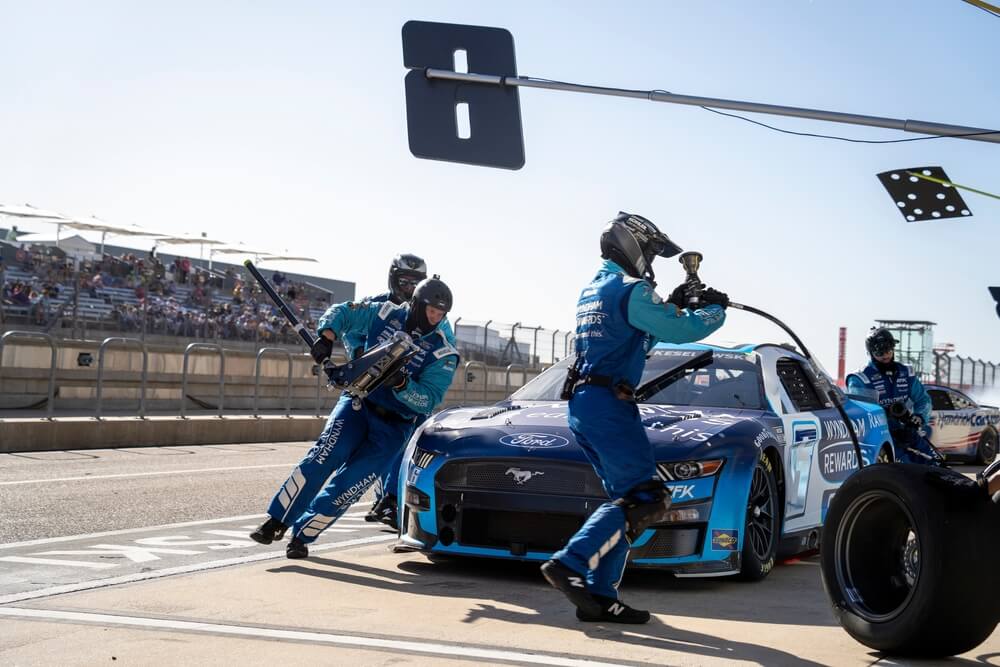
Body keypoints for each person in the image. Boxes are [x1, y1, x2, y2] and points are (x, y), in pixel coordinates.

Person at [541, 211, 728, 624]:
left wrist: (673, 305)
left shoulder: (595, 289)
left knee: (627, 501)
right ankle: (571, 563)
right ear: (635, 246)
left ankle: (601, 597)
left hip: (585, 402)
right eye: (652, 253)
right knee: (648, 498)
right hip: (609, 405)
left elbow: (637, 335)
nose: (653, 263)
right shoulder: (633, 289)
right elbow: (681, 332)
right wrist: (715, 311)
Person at [249, 276, 459, 559]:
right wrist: (327, 335)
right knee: (320, 459)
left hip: (394, 429)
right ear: (417, 305)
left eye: (440, 314)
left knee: (348, 486)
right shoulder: (384, 312)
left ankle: (303, 535)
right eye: (431, 311)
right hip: (358, 404)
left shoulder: (444, 351)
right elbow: (343, 312)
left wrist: (401, 385)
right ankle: (276, 521)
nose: (434, 319)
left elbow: (429, 398)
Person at [846, 327, 937, 463]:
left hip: (908, 432)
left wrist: (918, 418)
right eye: (879, 351)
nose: (885, 355)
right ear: (870, 352)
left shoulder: (906, 372)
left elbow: (923, 400)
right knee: (905, 473)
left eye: (888, 350)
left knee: (935, 466)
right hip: (882, 438)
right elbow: (862, 415)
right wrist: (886, 416)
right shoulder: (860, 379)